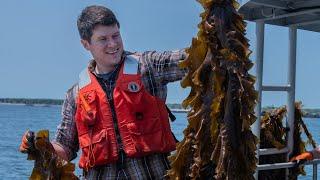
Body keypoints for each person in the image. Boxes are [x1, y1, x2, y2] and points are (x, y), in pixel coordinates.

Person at [19, 5, 187, 179]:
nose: (113, 44)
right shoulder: (75, 95)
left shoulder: (149, 67)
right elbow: (65, 147)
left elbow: (191, 59)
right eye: (103, 39)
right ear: (86, 44)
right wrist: (41, 146)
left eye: (116, 35)